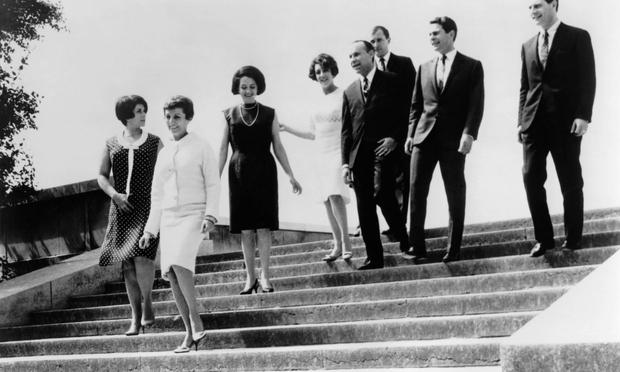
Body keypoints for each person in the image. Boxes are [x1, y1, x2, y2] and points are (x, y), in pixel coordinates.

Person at [139, 96, 220, 353]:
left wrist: (210, 215)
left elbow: (213, 183)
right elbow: (157, 194)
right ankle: (189, 333)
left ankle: (196, 321)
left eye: (177, 117)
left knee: (180, 263)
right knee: (171, 273)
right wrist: (150, 230)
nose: (172, 122)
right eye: (168, 117)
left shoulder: (201, 146)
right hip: (169, 218)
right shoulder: (163, 154)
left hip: (194, 215)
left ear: (188, 118)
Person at [518, 0, 596, 257]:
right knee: (531, 178)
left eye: (538, 5)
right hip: (533, 123)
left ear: (553, 4)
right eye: (529, 7)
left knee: (570, 180)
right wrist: (521, 120)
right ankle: (544, 239)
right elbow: (525, 87)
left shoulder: (577, 37)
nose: (533, 12)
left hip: (565, 123)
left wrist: (583, 115)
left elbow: (588, 78)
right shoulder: (527, 45)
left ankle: (573, 238)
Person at [405, 17, 485, 263]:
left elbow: (476, 103)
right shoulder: (424, 67)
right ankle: (417, 248)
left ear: (451, 34)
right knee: (417, 190)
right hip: (423, 137)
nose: (432, 37)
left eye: (436, 33)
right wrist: (410, 135)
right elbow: (416, 106)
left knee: (454, 191)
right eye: (429, 34)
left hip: (453, 140)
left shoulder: (471, 66)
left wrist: (469, 133)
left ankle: (454, 248)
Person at [219, 66, 302, 294]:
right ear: (237, 87)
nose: (247, 90)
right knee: (246, 229)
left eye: (252, 87)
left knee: (264, 227)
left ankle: (265, 276)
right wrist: (214, 179)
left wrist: (290, 175)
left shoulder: (270, 113)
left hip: (264, 170)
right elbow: (222, 150)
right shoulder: (228, 114)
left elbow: (278, 145)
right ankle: (250, 277)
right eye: (244, 86)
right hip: (238, 172)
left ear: (258, 88)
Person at [97, 95, 162, 336]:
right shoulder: (111, 143)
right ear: (126, 115)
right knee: (128, 264)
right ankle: (135, 317)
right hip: (122, 208)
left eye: (144, 110)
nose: (144, 115)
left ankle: (148, 303)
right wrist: (115, 195)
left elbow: (167, 172)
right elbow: (102, 176)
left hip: (147, 206)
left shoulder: (155, 142)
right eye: (138, 111)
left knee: (144, 257)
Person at [342, 40, 409, 270]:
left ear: (371, 54)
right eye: (350, 56)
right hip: (358, 154)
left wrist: (394, 138)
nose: (353, 59)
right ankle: (374, 257)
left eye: (357, 54)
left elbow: (405, 114)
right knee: (364, 205)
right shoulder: (349, 91)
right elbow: (346, 130)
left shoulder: (391, 81)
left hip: (384, 148)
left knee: (382, 193)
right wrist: (345, 164)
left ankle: (404, 237)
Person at [280, 53, 353, 262]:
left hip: (338, 151)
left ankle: (347, 244)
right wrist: (289, 129)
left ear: (333, 71)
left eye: (325, 70)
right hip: (321, 153)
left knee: (335, 194)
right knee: (327, 199)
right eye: (318, 72)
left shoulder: (344, 95)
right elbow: (313, 133)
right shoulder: (314, 102)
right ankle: (337, 245)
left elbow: (350, 127)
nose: (322, 75)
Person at [370, 25, 417, 239]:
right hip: (380, 140)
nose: (376, 45)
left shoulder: (404, 64)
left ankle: (401, 226)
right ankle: (396, 224)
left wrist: (400, 136)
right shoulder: (370, 69)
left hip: (403, 134)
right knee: (381, 187)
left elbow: (413, 102)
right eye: (372, 42)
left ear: (388, 39)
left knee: (403, 181)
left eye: (379, 40)